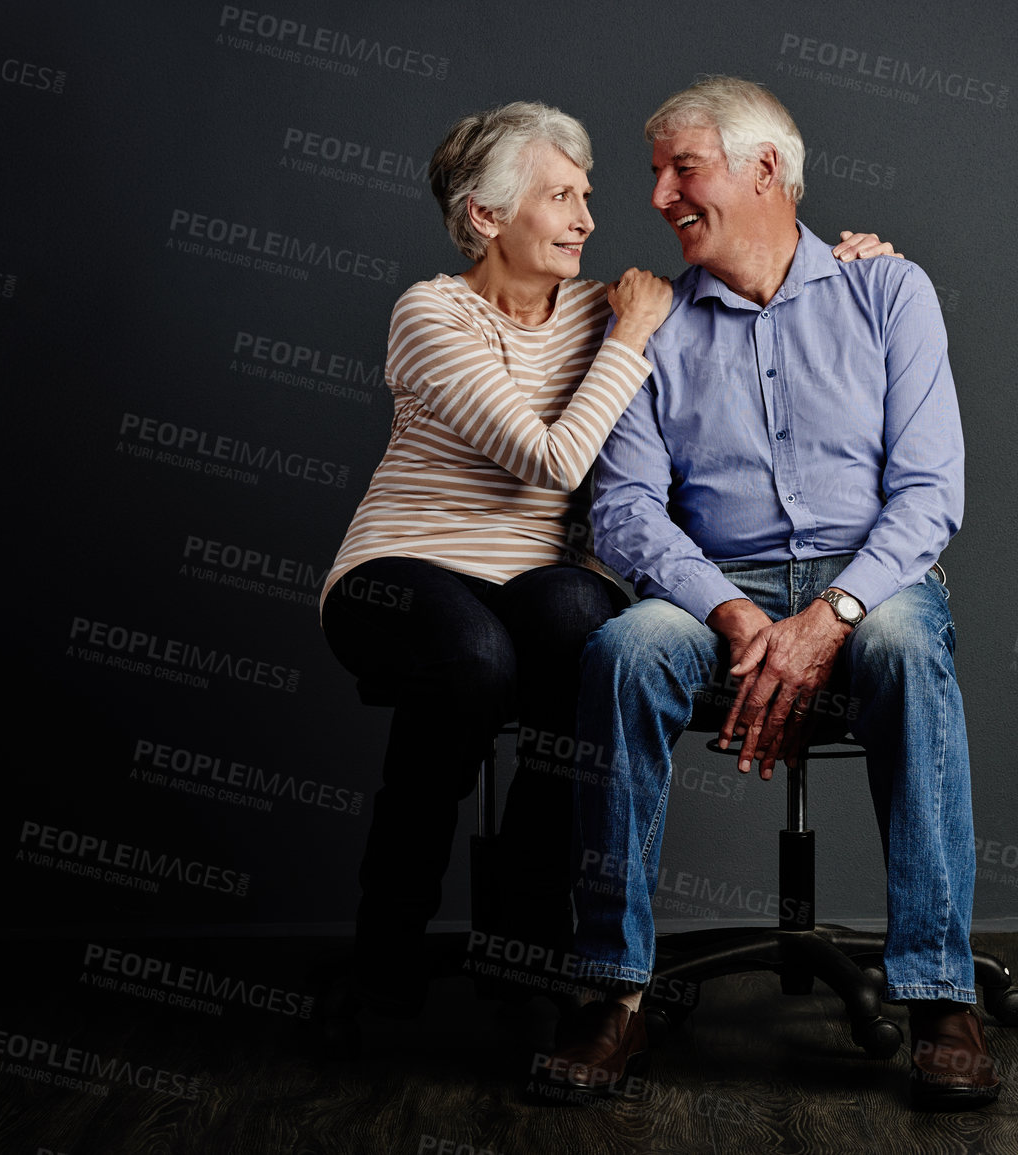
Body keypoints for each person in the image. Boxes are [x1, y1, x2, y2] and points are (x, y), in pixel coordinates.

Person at [318, 100, 896, 1023]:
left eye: (586, 195)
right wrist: (630, 336)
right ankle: (386, 951)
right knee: (472, 661)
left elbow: (763, 298)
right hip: (406, 568)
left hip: (534, 578)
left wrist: (848, 263)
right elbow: (549, 460)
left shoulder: (599, 308)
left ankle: (531, 927)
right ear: (486, 217)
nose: (589, 216)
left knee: (590, 627)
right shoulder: (432, 313)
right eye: (560, 196)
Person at [545, 77, 997, 1110]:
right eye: (655, 173)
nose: (657, 195)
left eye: (680, 169)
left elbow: (930, 497)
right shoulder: (651, 323)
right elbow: (624, 515)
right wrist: (738, 614)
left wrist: (829, 614)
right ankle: (611, 993)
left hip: (867, 579)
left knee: (904, 647)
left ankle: (938, 993)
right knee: (623, 653)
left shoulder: (890, 292)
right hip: (717, 590)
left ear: (764, 171)